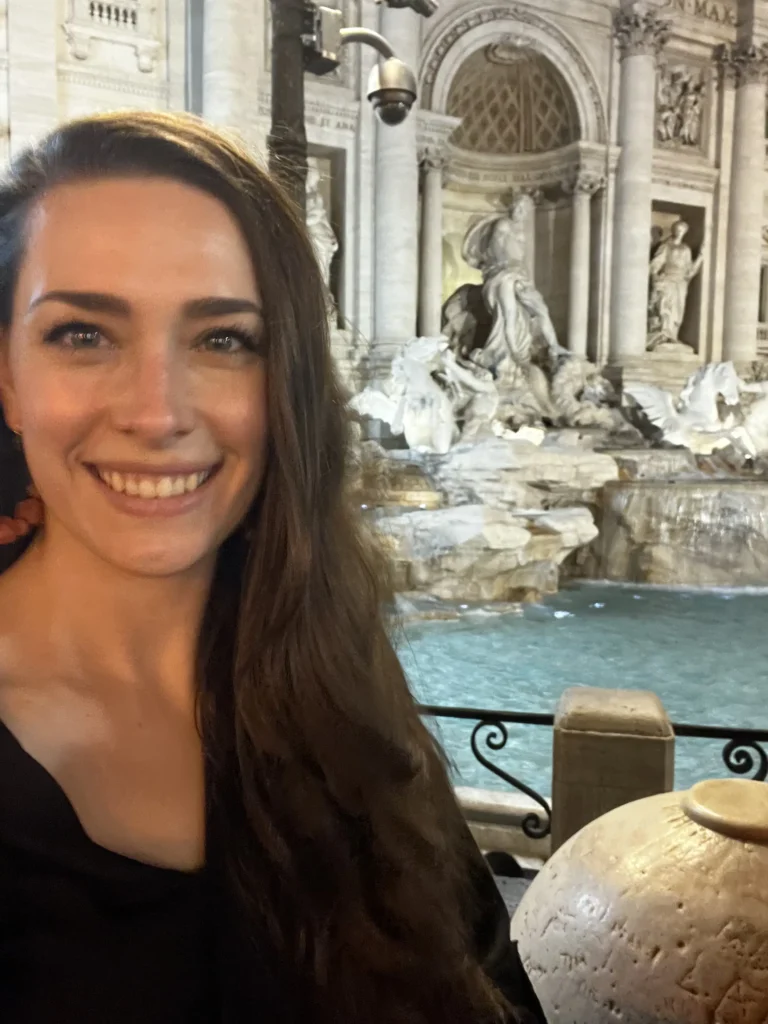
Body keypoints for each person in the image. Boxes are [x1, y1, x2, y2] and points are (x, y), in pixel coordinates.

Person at [0, 112, 546, 1023]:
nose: (156, 411)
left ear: (282, 378)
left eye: (223, 340)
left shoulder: (324, 665)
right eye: (83, 334)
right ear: (7, 379)